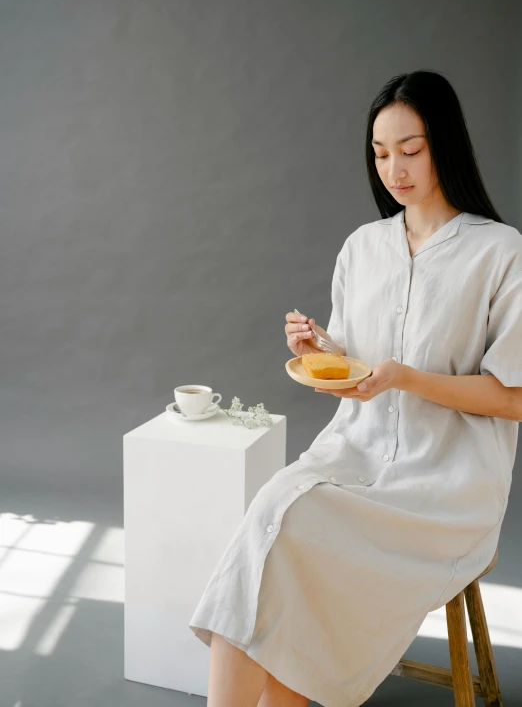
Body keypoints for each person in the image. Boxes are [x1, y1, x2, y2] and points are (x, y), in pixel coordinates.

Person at [188, 70, 522, 707]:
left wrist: (407, 379)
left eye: (411, 149)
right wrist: (324, 353)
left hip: (445, 486)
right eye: (380, 153)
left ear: (444, 144)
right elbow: (358, 370)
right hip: (353, 455)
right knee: (273, 519)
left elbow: (514, 399)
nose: (394, 168)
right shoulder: (362, 248)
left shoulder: (501, 253)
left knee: (291, 532)